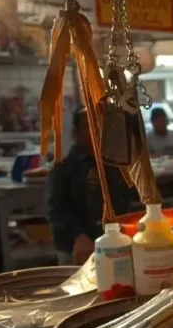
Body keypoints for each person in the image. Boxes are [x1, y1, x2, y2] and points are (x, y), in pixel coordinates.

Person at [48, 108, 137, 265]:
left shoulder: (115, 163)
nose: (96, 129)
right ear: (75, 133)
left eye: (99, 123)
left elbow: (127, 199)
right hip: (76, 245)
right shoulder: (65, 167)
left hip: (114, 240)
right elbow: (56, 209)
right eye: (87, 125)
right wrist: (79, 236)